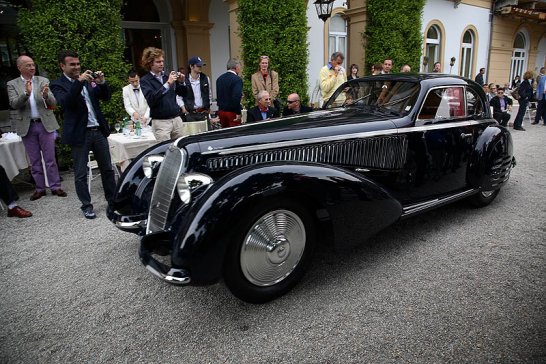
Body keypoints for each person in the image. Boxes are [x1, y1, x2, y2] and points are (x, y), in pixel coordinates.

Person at [50, 50, 116, 219]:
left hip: (97, 130)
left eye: (78, 64)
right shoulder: (57, 84)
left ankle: (113, 201)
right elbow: (65, 103)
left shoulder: (87, 81)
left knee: (107, 169)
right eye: (72, 64)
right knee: (80, 173)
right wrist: (78, 82)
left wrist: (101, 83)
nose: (77, 67)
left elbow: (105, 97)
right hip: (80, 134)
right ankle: (86, 205)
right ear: (62, 66)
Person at [7, 55, 67, 201]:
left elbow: (54, 102)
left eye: (33, 64)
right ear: (19, 67)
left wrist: (46, 96)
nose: (32, 67)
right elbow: (14, 104)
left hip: (44, 123)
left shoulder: (42, 80)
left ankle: (55, 186)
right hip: (27, 126)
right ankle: (39, 189)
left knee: (50, 158)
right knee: (34, 160)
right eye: (28, 65)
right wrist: (26, 93)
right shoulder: (12, 84)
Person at [139, 47, 187, 142]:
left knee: (181, 149)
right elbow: (152, 100)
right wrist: (167, 84)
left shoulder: (167, 76)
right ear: (150, 63)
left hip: (176, 119)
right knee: (165, 151)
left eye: (162, 61)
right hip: (161, 122)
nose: (161, 64)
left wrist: (181, 83)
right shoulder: (145, 80)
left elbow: (183, 94)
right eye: (158, 62)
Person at [180, 56, 211, 135]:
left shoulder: (205, 78)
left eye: (201, 65)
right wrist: (184, 109)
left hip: (203, 112)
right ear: (191, 66)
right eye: (198, 66)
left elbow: (209, 94)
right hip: (190, 113)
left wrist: (208, 107)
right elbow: (178, 97)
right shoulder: (184, 80)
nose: (200, 67)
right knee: (192, 136)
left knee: (206, 136)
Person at [216, 58, 243, 128]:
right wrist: (238, 112)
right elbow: (236, 97)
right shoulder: (237, 79)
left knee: (225, 134)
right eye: (240, 67)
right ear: (236, 67)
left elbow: (218, 97)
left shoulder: (219, 79)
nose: (240, 69)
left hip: (221, 111)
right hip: (232, 112)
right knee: (235, 134)